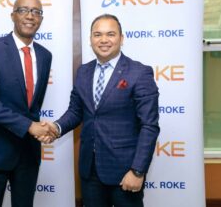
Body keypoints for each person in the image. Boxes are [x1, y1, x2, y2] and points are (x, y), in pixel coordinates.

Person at [41, 14, 160, 206]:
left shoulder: (139, 73)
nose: (103, 40)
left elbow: (149, 126)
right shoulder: (83, 71)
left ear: (121, 39)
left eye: (110, 34)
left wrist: (138, 171)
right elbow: (75, 111)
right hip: (90, 171)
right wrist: (55, 127)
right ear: (90, 40)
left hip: (125, 171)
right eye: (97, 34)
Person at [0, 0, 57, 207]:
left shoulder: (45, 56)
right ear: (13, 15)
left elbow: (32, 105)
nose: (30, 16)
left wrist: (40, 129)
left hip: (27, 155)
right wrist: (29, 126)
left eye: (36, 12)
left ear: (41, 19)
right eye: (24, 10)